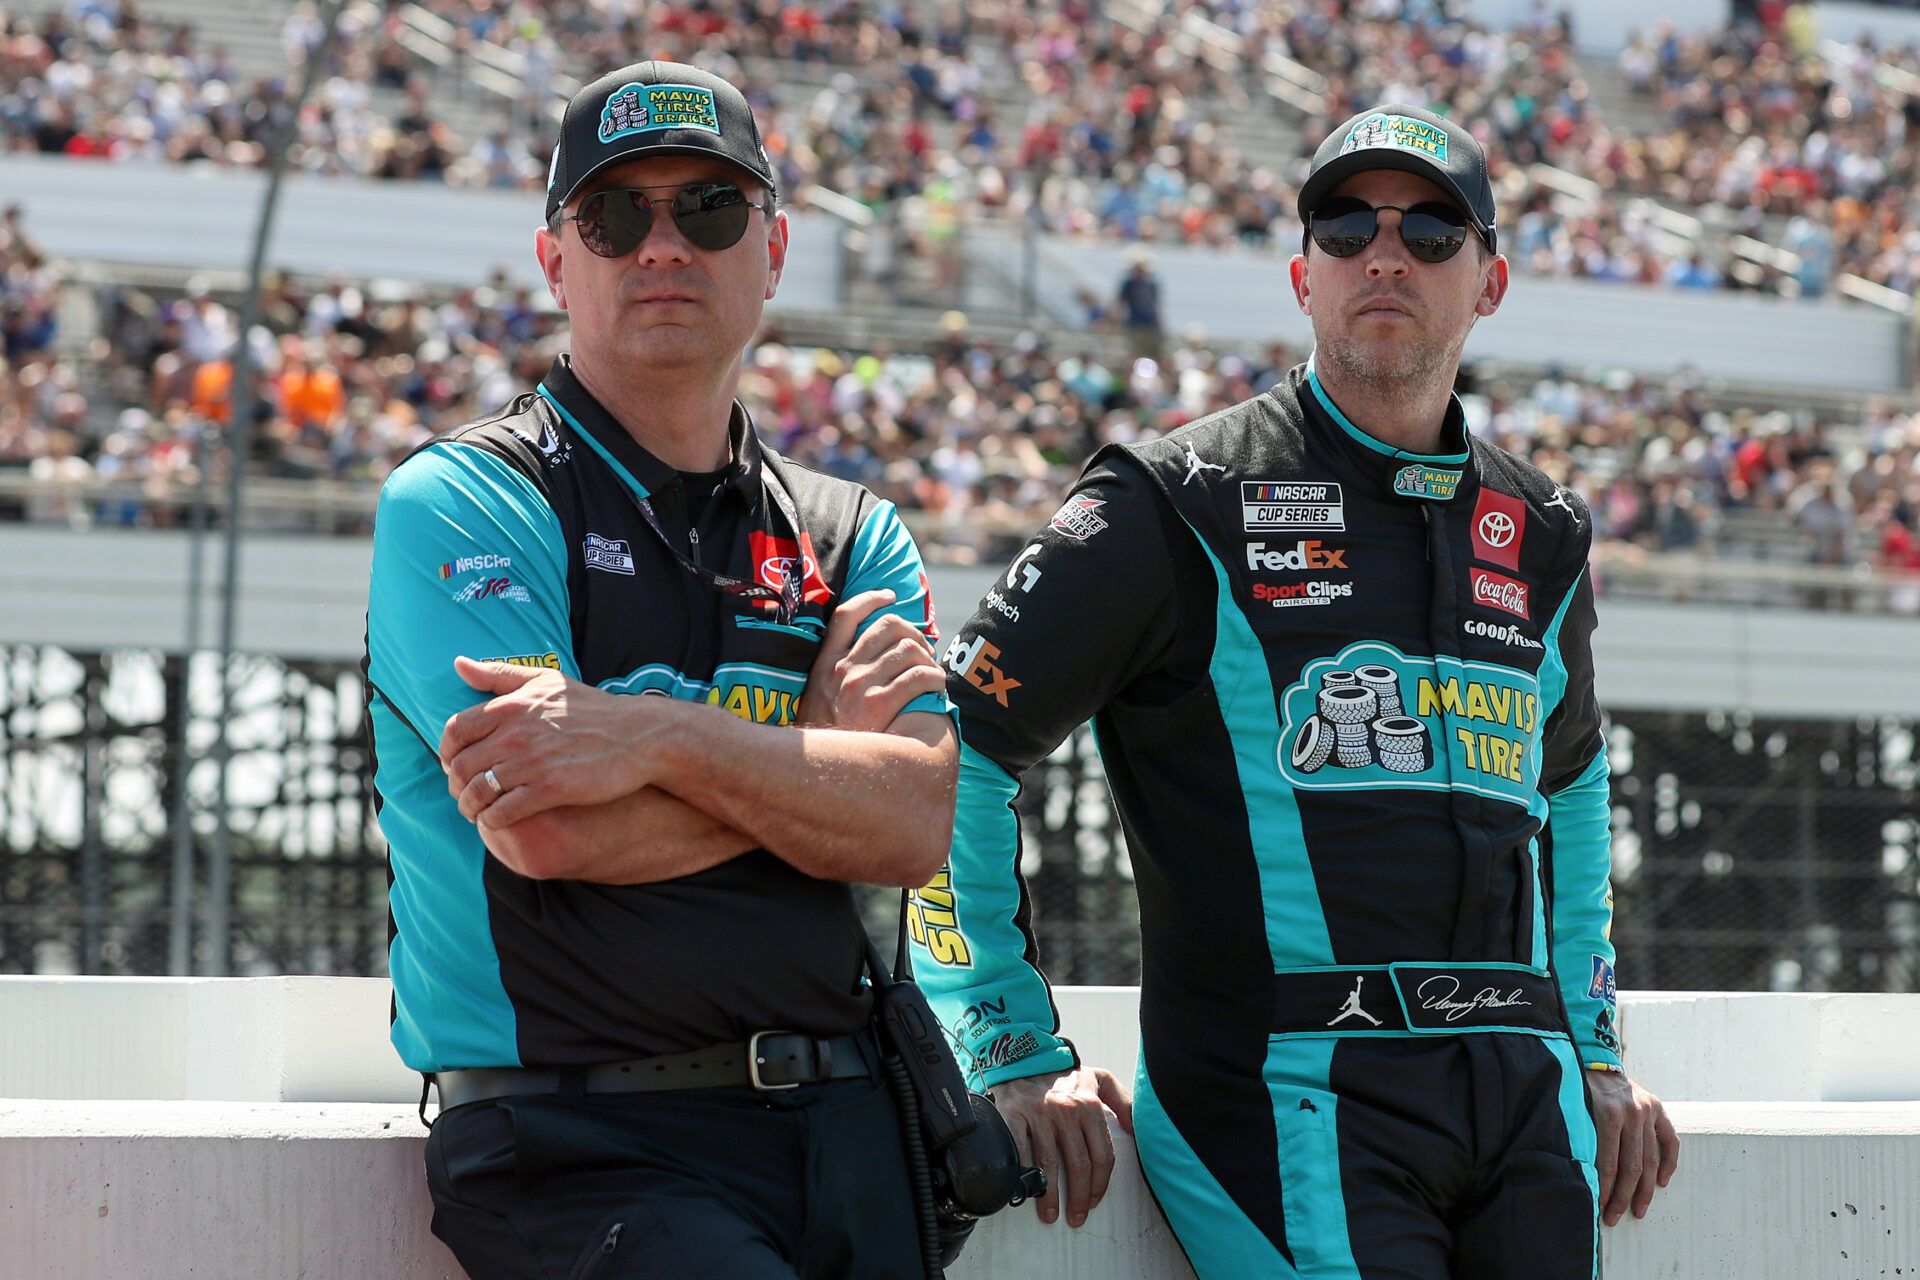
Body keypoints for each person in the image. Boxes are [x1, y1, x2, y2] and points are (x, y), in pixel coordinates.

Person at [915, 103, 1680, 1278]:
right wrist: (1006, 1039)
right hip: (1282, 1091)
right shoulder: (1173, 499)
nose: (1385, 253)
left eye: (1433, 232)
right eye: (1345, 224)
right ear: (1302, 273)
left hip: (1528, 1099)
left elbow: (1571, 788)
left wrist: (1597, 1048)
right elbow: (948, 745)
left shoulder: (1545, 528)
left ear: (1490, 281)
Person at [362, 60, 958, 1279]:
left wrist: (656, 740)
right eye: (615, 214)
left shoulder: (850, 528)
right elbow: (547, 826)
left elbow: (912, 821)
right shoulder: (465, 497)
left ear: (775, 248)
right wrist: (806, 752)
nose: (663, 243)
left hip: (851, 1123)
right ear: (555, 260)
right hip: (582, 1135)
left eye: (710, 209)